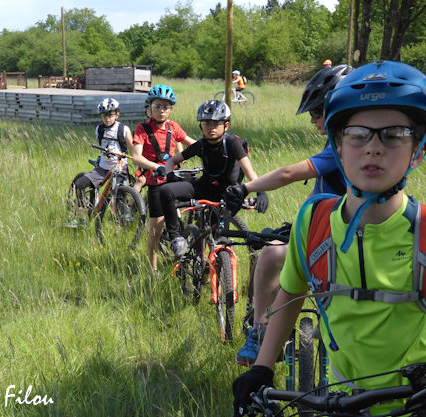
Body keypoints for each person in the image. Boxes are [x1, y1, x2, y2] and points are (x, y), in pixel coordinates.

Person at [232, 60, 426, 416]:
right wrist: (262, 369)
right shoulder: (312, 221)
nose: (373, 148)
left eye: (395, 134)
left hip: (421, 400)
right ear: (338, 146)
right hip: (340, 399)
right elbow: (291, 295)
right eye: (357, 134)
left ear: (418, 150)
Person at [228, 64, 354, 366]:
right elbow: (323, 191)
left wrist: (246, 188)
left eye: (316, 112)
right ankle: (265, 329)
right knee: (273, 252)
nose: (312, 120)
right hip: (326, 228)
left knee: (272, 256)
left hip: (342, 237)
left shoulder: (347, 144)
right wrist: (299, 223)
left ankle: (262, 331)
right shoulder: (339, 140)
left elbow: (288, 174)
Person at [158, 100, 268, 256]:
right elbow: (171, 160)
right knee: (166, 191)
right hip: (205, 187)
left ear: (226, 125)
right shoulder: (201, 144)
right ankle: (176, 238)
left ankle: (223, 273)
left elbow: (248, 169)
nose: (211, 128)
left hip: (228, 194)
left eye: (216, 123)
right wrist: (170, 176)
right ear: (200, 126)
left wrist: (261, 192)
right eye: (206, 123)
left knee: (220, 240)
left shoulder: (232, 143)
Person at [131, 84, 196, 272]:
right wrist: (155, 167)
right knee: (156, 228)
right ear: (150, 108)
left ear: (171, 110)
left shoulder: (173, 127)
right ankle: (152, 269)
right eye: (158, 106)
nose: (162, 110)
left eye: (166, 107)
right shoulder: (142, 129)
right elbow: (136, 156)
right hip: (155, 181)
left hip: (173, 178)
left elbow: (193, 144)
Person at [65, 98, 135, 228]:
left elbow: (132, 149)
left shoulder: (123, 129)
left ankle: (122, 220)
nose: (107, 118)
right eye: (104, 115)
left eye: (110, 115)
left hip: (119, 169)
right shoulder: (99, 129)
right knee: (80, 184)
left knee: (118, 195)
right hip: (102, 168)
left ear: (117, 114)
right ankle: (81, 216)